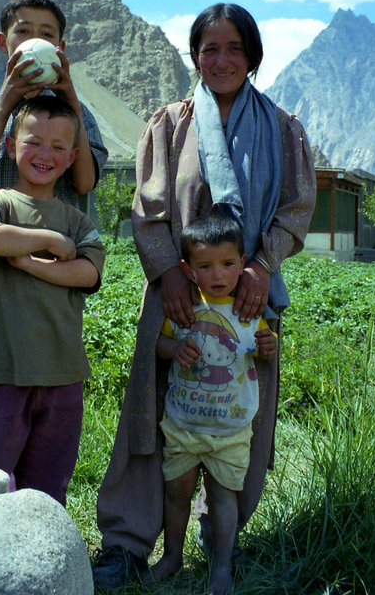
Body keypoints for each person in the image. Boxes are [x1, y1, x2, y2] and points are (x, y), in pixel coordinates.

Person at [92, 2, 316, 589]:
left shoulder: (283, 128)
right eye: (209, 48)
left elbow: (297, 208)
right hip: (176, 295)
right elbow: (149, 208)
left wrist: (262, 267)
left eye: (234, 49)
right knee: (153, 409)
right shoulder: (169, 123)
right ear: (195, 55)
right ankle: (130, 539)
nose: (220, 60)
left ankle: (224, 538)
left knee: (241, 415)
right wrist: (168, 272)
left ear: (253, 57)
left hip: (247, 299)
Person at [0, 0, 108, 452]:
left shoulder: (77, 115)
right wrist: (4, 104)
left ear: (61, 49)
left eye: (48, 34)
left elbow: (85, 181)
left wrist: (71, 98)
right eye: (24, 32)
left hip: (52, 291)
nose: (35, 39)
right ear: (4, 43)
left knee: (41, 409)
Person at [0, 95, 106, 505]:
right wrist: (49, 241)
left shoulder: (78, 220)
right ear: (11, 146)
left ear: (72, 156)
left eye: (58, 147)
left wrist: (25, 263)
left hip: (62, 376)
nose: (45, 155)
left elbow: (88, 272)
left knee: (47, 490)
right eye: (33, 142)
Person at [146, 215, 277, 594]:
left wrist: (270, 347)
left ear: (243, 264)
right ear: (188, 270)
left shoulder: (251, 312)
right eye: (205, 266)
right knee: (177, 493)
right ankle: (172, 556)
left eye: (227, 264)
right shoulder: (184, 308)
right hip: (182, 426)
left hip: (232, 430)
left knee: (223, 497)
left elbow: (266, 347)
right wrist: (174, 348)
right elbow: (158, 344)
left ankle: (220, 565)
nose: (218, 274)